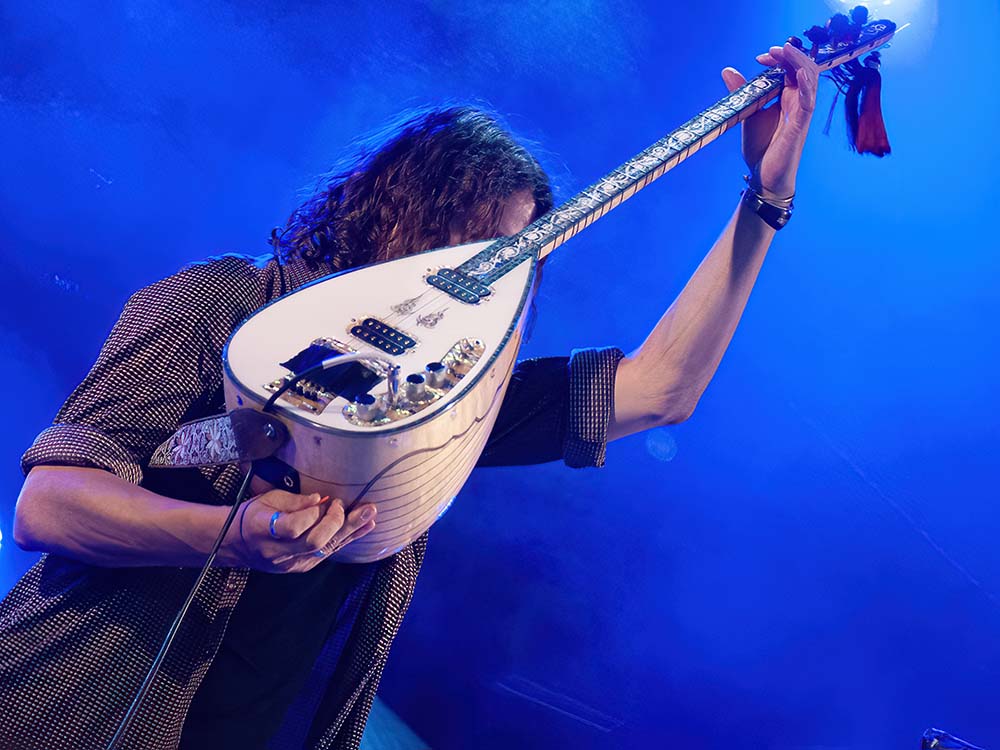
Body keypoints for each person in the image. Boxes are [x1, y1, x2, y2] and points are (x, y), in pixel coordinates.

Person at [0, 43, 818, 750]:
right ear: (403, 212)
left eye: (516, 263)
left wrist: (766, 199)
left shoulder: (446, 401)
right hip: (64, 712)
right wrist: (231, 537)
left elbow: (662, 388)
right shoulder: (225, 305)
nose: (491, 282)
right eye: (479, 247)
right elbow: (48, 506)